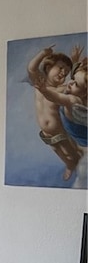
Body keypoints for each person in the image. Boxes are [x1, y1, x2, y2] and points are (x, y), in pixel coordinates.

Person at [34, 49, 87, 187]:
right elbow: (78, 81)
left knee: (72, 154)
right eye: (61, 68)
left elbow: (60, 94)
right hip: (47, 131)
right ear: (47, 67)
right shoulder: (40, 82)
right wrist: (43, 54)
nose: (64, 74)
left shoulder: (66, 93)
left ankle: (74, 162)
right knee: (57, 150)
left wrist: (45, 91)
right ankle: (70, 164)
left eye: (66, 72)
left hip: (61, 131)